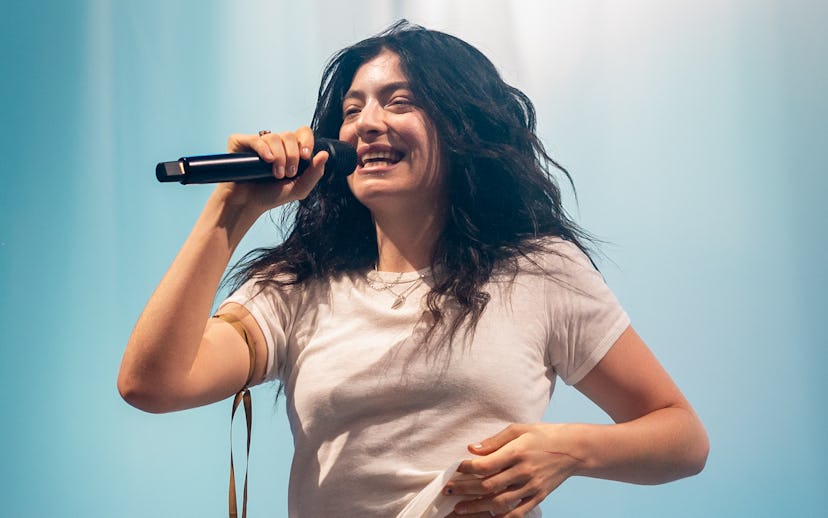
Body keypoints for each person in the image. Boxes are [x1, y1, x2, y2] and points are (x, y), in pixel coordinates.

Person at [118, 21, 708, 518]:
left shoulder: (539, 273)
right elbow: (152, 385)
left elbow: (682, 436)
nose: (367, 123)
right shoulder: (296, 289)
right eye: (352, 110)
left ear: (461, 127)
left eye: (399, 102)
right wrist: (231, 207)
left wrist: (569, 450)